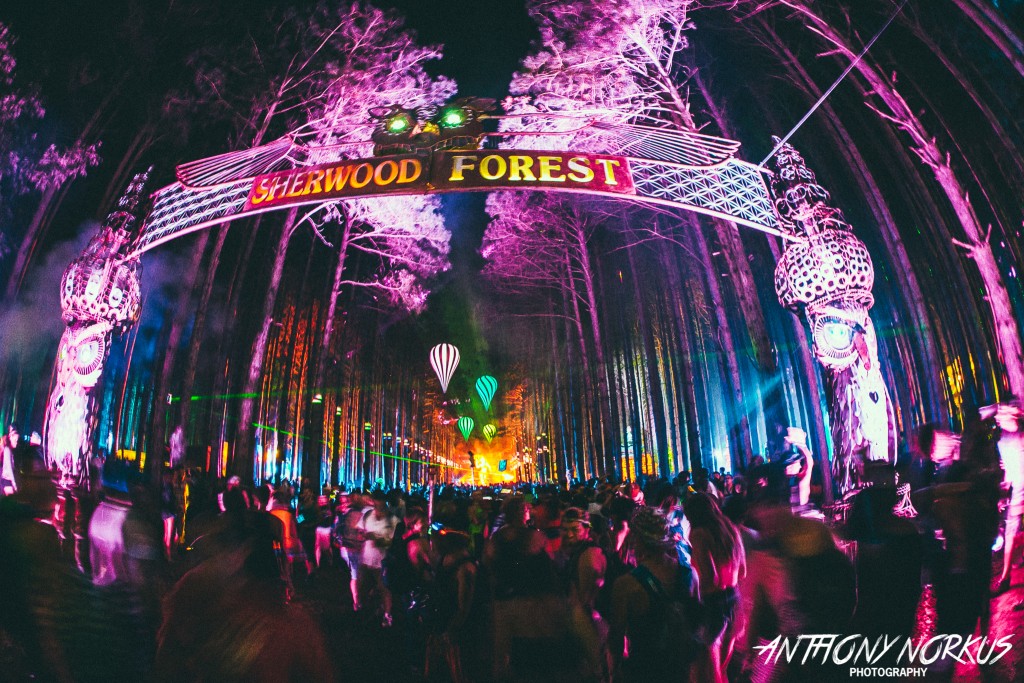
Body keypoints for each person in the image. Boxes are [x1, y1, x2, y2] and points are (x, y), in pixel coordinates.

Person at [610, 506, 697, 681]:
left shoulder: (626, 585)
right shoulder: (689, 574)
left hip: (644, 670)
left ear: (637, 538)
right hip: (680, 669)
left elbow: (616, 639)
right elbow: (696, 621)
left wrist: (614, 672)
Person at [685, 492, 746, 683]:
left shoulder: (699, 534)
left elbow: (710, 578)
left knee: (705, 672)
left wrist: (690, 596)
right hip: (734, 600)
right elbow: (743, 571)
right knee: (722, 670)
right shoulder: (730, 528)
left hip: (712, 604)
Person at [991, 402, 1024, 593]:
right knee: (1010, 530)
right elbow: (1010, 471)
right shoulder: (1002, 441)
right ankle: (1005, 577)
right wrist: (1005, 488)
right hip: (1018, 489)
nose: (998, 418)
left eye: (1002, 414)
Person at [359, 490, 397, 625]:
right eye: (375, 501)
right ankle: (364, 613)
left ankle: (387, 615)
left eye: (380, 501)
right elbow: (360, 530)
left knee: (384, 589)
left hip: (382, 561)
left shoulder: (392, 519)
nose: (377, 504)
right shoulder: (368, 515)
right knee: (362, 587)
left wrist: (376, 538)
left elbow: (393, 542)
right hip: (365, 559)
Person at [2, 424, 20, 496]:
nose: (17, 442)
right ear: (10, 438)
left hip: (8, 481)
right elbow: (9, 469)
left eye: (17, 440)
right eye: (15, 440)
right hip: (7, 481)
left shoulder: (10, 451)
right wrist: (14, 484)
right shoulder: (7, 450)